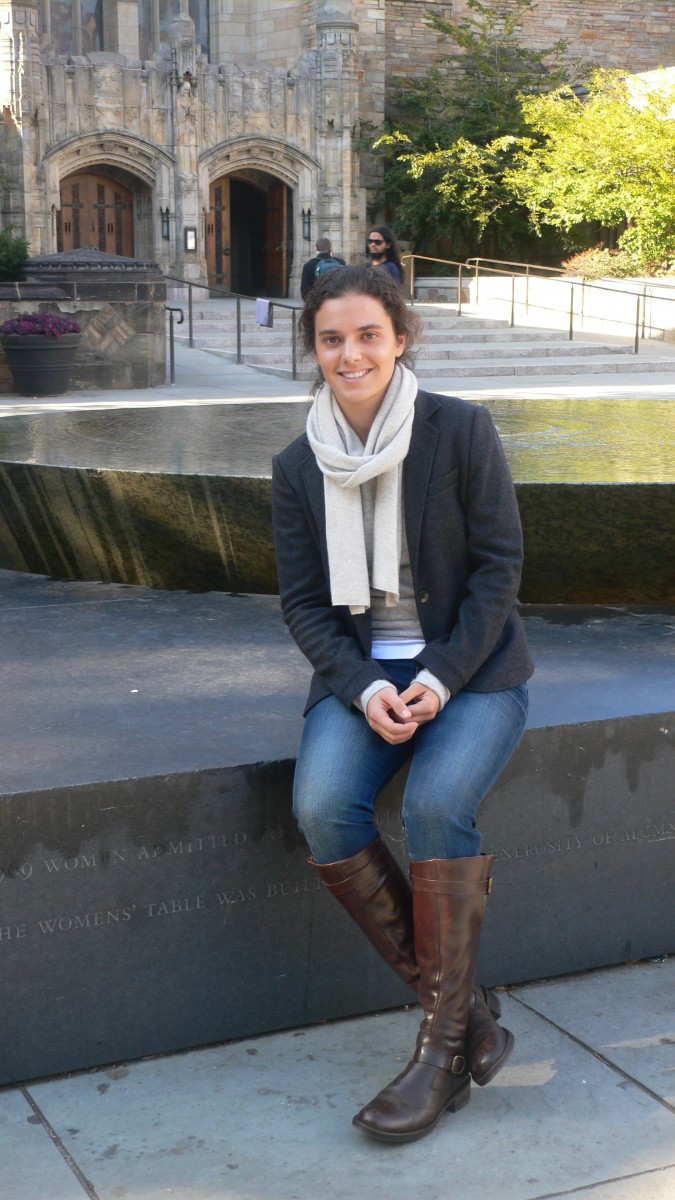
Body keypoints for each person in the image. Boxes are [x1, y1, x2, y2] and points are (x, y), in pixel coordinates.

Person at [272, 265, 533, 1145]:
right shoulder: (296, 463)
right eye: (331, 339)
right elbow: (306, 604)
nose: (350, 354)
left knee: (434, 803)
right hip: (362, 678)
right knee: (320, 807)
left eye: (367, 336)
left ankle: (435, 1055)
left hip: (472, 673)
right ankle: (469, 1021)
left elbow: (499, 568)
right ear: (313, 350)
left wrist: (441, 677)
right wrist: (365, 685)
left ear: (401, 338)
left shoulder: (458, 430)